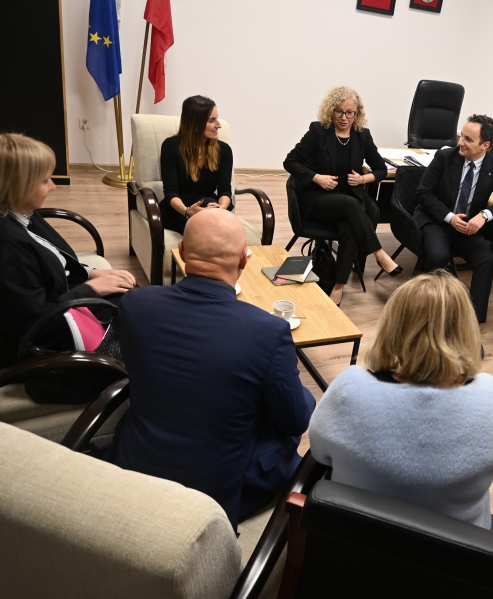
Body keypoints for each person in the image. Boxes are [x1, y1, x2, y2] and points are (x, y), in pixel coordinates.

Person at [108, 209, 315, 530]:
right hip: (213, 499)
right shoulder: (269, 331)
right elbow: (295, 421)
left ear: (181, 251)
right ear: (244, 260)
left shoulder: (135, 304)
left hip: (134, 469)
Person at [309, 270, 493, 529]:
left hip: (352, 540)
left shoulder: (350, 388)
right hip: (456, 550)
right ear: (467, 331)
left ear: (392, 327)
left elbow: (320, 453)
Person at [0, 133, 135, 400]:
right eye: (44, 181)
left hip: (48, 312)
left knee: (139, 303)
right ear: (16, 185)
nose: (53, 186)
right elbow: (35, 327)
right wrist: (91, 289)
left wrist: (90, 272)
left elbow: (46, 256)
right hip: (30, 354)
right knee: (148, 336)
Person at [283, 86, 402, 305]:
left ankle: (338, 287)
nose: (344, 117)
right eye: (339, 111)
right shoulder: (318, 132)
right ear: (331, 110)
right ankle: (379, 253)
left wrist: (363, 179)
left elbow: (381, 169)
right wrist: (317, 177)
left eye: (349, 112)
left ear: (357, 113)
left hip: (348, 203)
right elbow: (290, 162)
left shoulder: (362, 136)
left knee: (349, 228)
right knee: (350, 205)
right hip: (318, 198)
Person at [415, 114, 493, 323]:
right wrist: (450, 217)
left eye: (468, 139)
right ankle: (425, 311)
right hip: (438, 220)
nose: (460, 142)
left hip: (468, 226)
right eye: (461, 136)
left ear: (485, 145)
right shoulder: (444, 157)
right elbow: (424, 193)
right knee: (438, 256)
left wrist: (484, 215)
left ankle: (472, 320)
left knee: (486, 260)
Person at [159, 95, 234, 235]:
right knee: (208, 227)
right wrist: (187, 211)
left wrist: (222, 208)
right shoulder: (171, 146)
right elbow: (170, 192)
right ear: (195, 124)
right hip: (179, 210)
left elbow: (224, 190)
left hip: (210, 206)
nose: (219, 125)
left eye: (217, 119)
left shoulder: (224, 150)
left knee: (216, 223)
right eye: (211, 120)